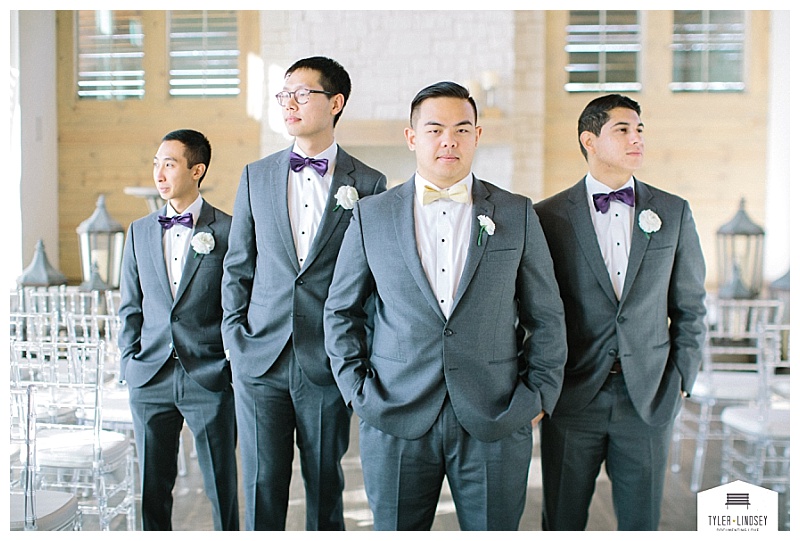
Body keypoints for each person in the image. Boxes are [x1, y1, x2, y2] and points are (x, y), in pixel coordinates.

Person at [323, 81, 567, 531]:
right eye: (435, 129)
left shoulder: (516, 213)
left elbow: (546, 315)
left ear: (477, 136)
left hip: (496, 414)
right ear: (412, 137)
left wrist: (537, 396)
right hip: (393, 413)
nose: (448, 140)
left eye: (461, 129)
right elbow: (341, 312)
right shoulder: (370, 215)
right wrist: (359, 392)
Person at [221, 56, 386, 531]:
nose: (289, 103)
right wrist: (236, 340)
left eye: (302, 93)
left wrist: (358, 356)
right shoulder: (256, 175)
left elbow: (373, 282)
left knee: (325, 486)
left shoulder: (369, 183)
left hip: (328, 360)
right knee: (260, 484)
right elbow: (238, 266)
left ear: (335, 103)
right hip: (259, 358)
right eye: (284, 94)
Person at [534, 94, 707, 530]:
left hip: (648, 399)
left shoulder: (673, 211)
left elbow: (690, 307)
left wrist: (681, 380)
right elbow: (533, 310)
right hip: (572, 399)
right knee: (562, 520)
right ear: (588, 140)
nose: (636, 139)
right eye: (623, 130)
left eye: (640, 130)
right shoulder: (547, 217)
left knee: (641, 523)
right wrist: (539, 385)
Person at [118, 129, 239, 530]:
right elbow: (130, 307)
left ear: (197, 170)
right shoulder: (138, 231)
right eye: (156, 163)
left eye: (169, 163)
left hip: (207, 376)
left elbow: (237, 305)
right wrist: (128, 364)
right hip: (149, 376)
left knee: (221, 484)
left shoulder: (228, 230)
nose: (159, 172)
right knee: (153, 486)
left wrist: (230, 366)